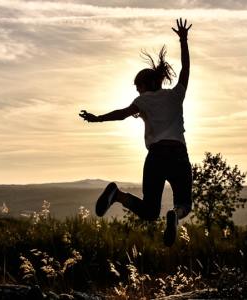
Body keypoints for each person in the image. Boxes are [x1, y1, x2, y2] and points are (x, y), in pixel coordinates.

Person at [79, 18, 193, 246]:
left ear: (145, 85)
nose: (136, 89)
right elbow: (186, 69)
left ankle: (118, 195)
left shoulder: (143, 101)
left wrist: (97, 118)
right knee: (184, 204)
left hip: (156, 157)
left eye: (137, 85)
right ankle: (175, 215)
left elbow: (122, 113)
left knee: (150, 212)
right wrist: (183, 40)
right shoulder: (175, 95)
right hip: (178, 155)